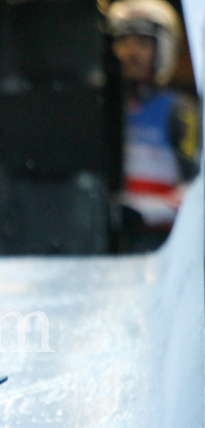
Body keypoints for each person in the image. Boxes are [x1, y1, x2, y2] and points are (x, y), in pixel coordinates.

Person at [108, 0, 200, 251]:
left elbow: (197, 192)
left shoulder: (179, 110)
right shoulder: (98, 109)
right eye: (122, 41)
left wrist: (144, 211)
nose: (130, 52)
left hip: (158, 245)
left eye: (143, 43)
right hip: (104, 242)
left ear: (163, 49)